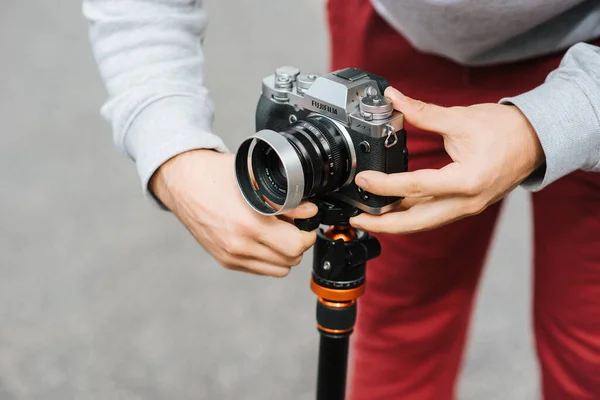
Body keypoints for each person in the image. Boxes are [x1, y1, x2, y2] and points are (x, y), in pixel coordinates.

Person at [83, 0, 600, 398]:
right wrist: (174, 154)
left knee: (588, 352)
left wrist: (552, 125)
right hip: (397, 37)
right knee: (401, 323)